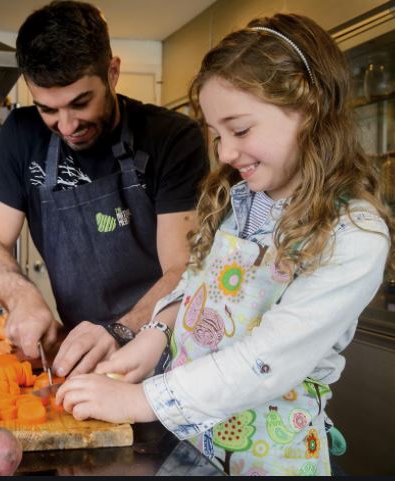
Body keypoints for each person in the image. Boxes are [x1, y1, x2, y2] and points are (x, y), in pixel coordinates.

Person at [56, 13, 394, 476]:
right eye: (217, 135)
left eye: (240, 129)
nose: (227, 153)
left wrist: (142, 400)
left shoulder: (354, 234)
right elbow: (198, 283)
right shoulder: (239, 202)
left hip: (271, 457)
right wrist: (156, 336)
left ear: (311, 108)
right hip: (195, 440)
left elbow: (267, 359)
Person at [0, 0, 209, 375]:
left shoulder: (172, 138)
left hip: (168, 349)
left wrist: (119, 330)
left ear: (112, 72)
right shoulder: (20, 134)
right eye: (47, 109)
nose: (66, 125)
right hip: (84, 356)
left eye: (80, 103)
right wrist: (20, 297)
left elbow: (183, 268)